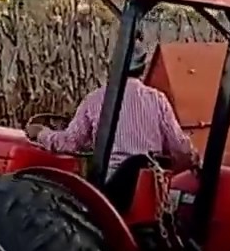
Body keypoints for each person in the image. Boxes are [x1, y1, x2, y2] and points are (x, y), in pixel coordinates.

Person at [25, 40, 199, 175]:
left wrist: (41, 133)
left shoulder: (96, 100)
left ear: (113, 64)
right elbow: (180, 149)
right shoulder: (158, 100)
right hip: (149, 184)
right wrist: (191, 162)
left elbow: (70, 143)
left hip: (112, 185)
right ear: (143, 68)